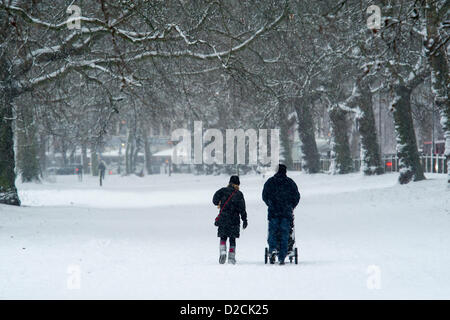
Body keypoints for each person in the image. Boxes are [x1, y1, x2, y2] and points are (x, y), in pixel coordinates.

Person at [262, 164, 300, 265]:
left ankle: (273, 249)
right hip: (286, 212)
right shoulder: (290, 183)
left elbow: (264, 195)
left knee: (272, 232)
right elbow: (296, 196)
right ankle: (282, 256)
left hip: (274, 211)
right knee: (285, 233)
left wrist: (270, 204)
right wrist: (291, 205)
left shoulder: (270, 182)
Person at [212, 175, 248, 264]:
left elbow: (214, 200)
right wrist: (244, 219)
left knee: (223, 237)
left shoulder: (222, 191)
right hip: (234, 220)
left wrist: (219, 202)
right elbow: (242, 208)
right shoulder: (239, 194)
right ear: (238, 184)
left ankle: (223, 251)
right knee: (232, 239)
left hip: (224, 218)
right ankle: (231, 257)